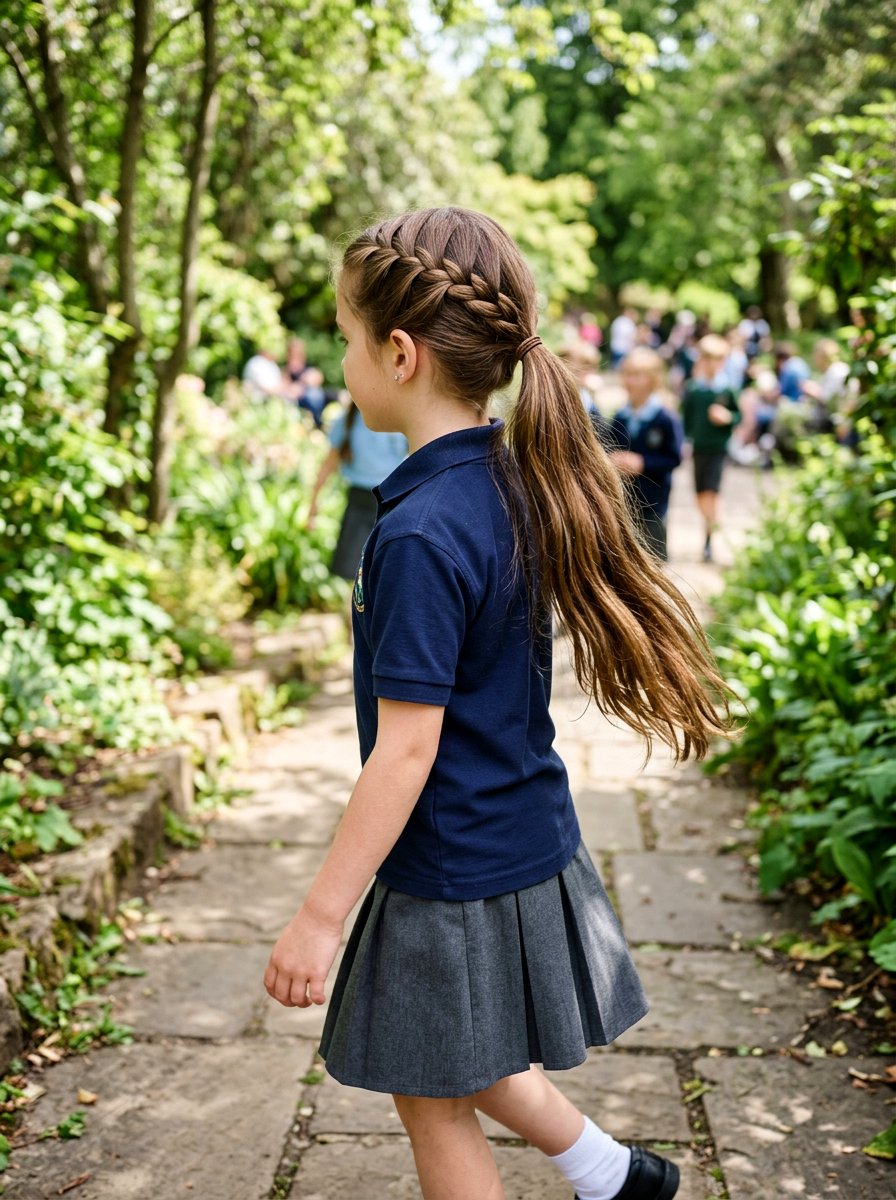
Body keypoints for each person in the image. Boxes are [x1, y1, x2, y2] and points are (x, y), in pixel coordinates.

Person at [264, 207, 732, 1200]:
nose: (339, 359)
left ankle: (607, 1175)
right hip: (520, 826)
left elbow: (403, 754)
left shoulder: (421, 533)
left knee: (431, 1093)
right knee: (461, 1052)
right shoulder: (509, 480)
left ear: (397, 353)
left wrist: (318, 915)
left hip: (450, 860)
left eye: (344, 339)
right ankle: (611, 1176)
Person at [306, 399, 408, 579]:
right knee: (354, 571)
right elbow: (328, 464)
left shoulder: (398, 419)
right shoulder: (347, 420)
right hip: (359, 500)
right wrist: (313, 504)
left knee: (385, 571)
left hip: (391, 501)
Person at [604, 349, 683, 562]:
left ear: (653, 379)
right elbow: (609, 448)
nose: (630, 381)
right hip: (624, 500)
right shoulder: (621, 416)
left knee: (654, 556)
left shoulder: (665, 418)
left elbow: (674, 457)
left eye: (637, 375)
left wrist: (643, 463)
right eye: (627, 374)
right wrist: (614, 460)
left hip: (653, 500)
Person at [681, 334, 741, 562]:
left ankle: (709, 538)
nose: (711, 364)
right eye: (707, 359)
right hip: (699, 447)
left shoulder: (727, 389)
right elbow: (686, 418)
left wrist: (728, 418)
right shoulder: (694, 389)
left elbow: (738, 416)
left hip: (718, 448)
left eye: (717, 359)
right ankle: (710, 524)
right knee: (699, 494)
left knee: (711, 492)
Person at [284, 336, 334, 429]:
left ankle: (318, 422)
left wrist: (304, 383)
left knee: (315, 395)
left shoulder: (308, 366)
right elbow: (285, 386)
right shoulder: (287, 370)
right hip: (298, 398)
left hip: (311, 395)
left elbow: (318, 377)